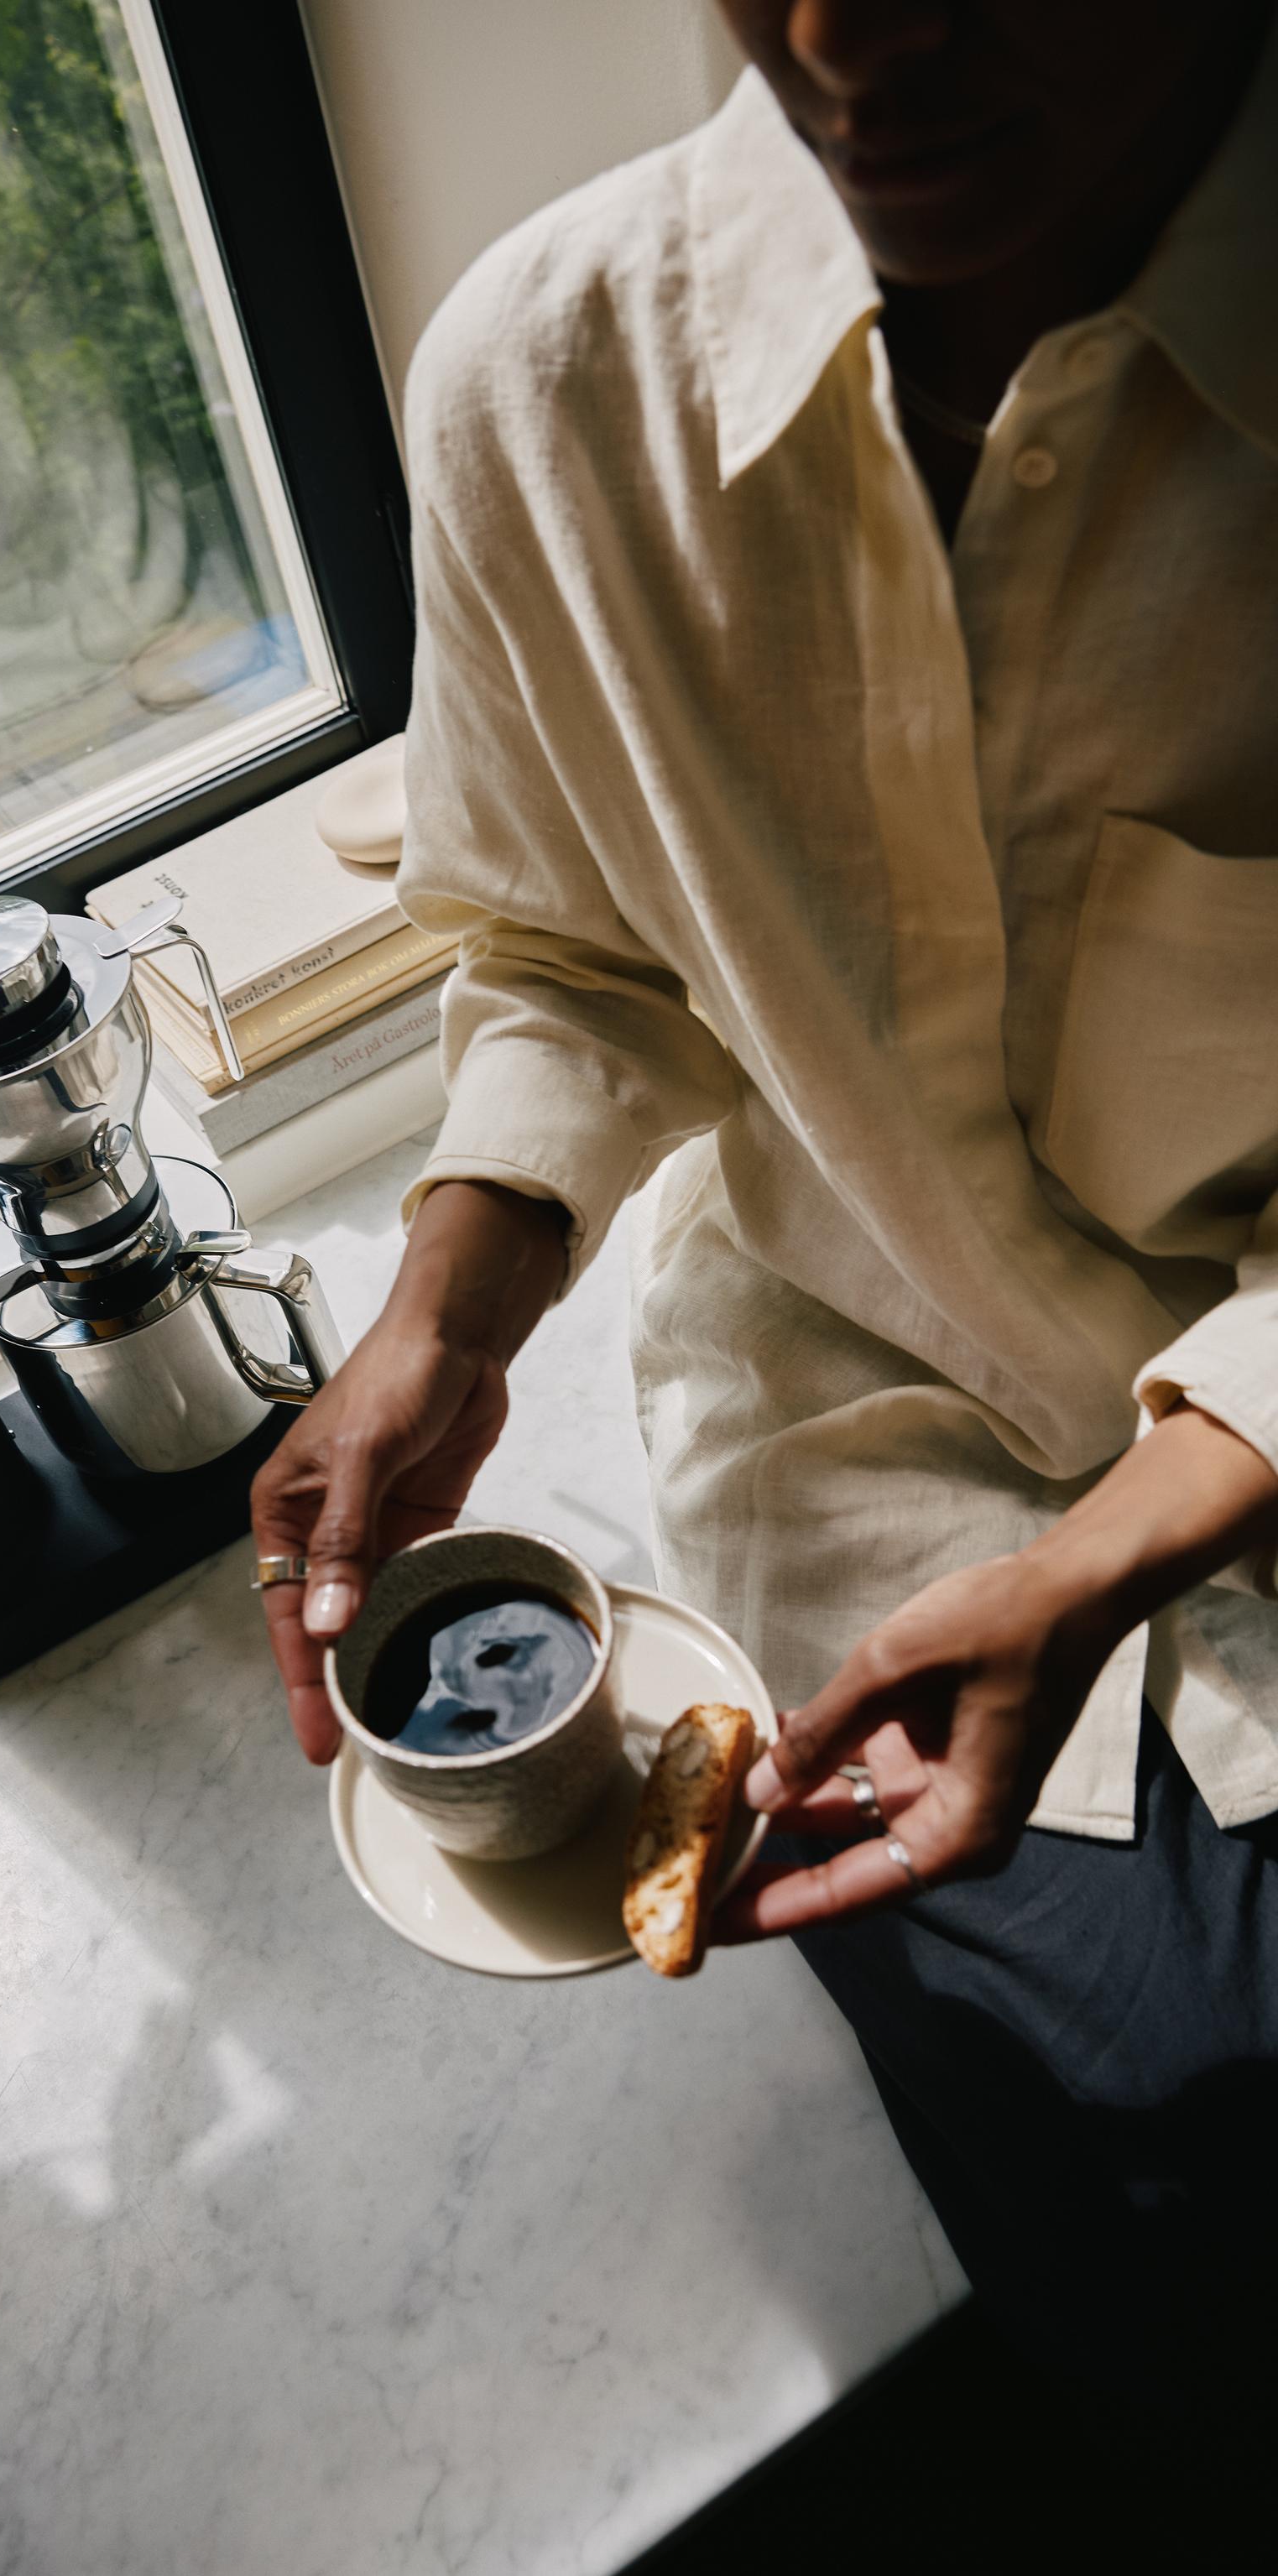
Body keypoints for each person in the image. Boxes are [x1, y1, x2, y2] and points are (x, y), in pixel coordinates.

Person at [253, 0, 1278, 2412]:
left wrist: (1123, 1550)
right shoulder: (541, 384)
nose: (840, 34)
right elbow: (570, 942)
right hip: (866, 1436)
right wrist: (454, 1304)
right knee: (1164, 2148)